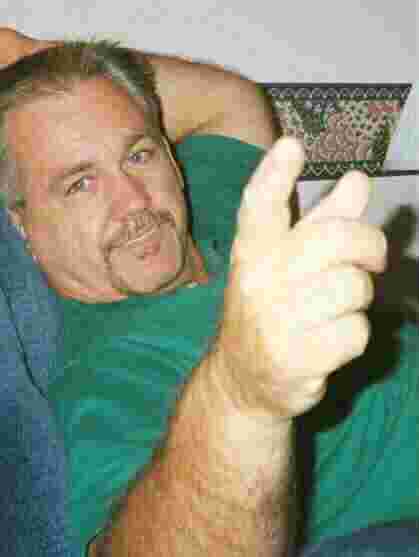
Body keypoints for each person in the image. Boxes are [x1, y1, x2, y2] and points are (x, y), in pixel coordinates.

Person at [0, 30, 417, 557]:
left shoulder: (211, 218)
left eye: (139, 154)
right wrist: (244, 392)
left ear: (174, 161)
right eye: (80, 183)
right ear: (21, 225)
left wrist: (26, 56)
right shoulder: (108, 375)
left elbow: (229, 102)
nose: (134, 203)